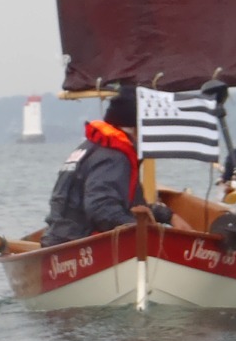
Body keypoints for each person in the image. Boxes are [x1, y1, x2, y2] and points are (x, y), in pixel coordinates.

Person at [40, 86, 172, 247]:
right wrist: (145, 231)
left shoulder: (90, 147)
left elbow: (127, 205)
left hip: (58, 240)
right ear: (137, 128)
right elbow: (102, 209)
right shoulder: (114, 157)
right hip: (82, 245)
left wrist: (167, 216)